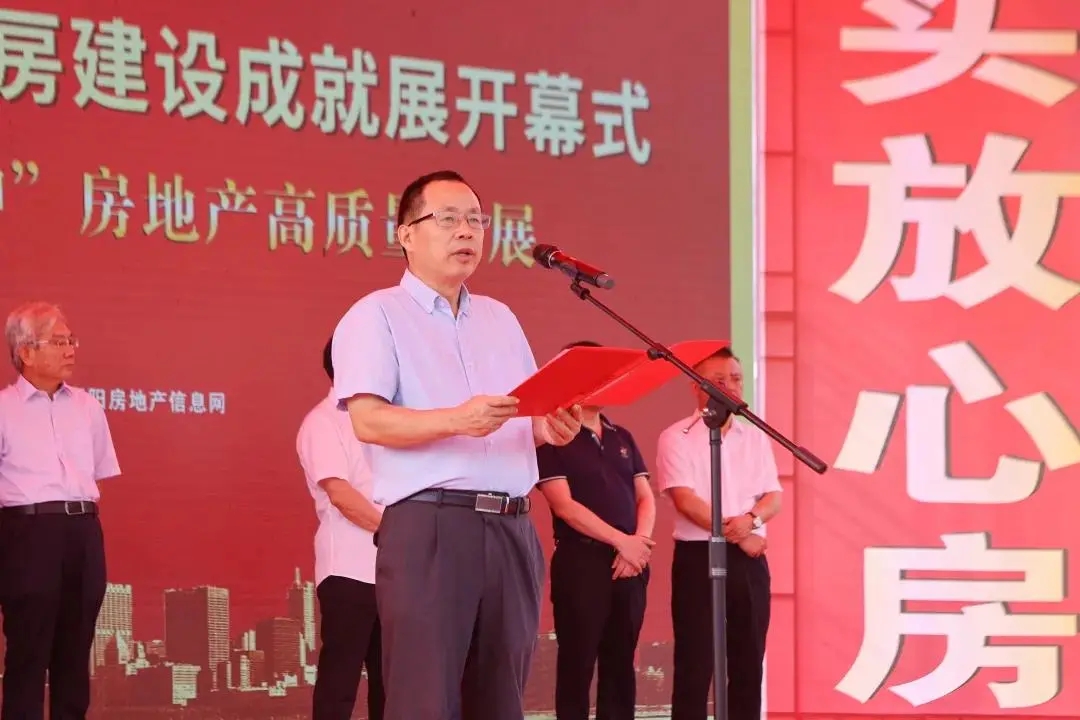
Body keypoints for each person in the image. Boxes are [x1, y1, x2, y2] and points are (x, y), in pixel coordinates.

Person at [331, 169, 583, 720]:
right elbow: (369, 422)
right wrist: (457, 420)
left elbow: (523, 415)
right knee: (426, 699)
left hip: (513, 527)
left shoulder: (500, 318)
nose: (466, 231)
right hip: (432, 526)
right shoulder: (376, 315)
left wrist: (547, 429)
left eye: (476, 220)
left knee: (501, 699)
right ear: (406, 233)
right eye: (447, 219)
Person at [0, 301, 120, 720]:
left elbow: (97, 471)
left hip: (83, 531)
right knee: (28, 655)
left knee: (74, 655)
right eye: (58, 342)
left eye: (71, 340)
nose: (70, 350)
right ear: (26, 352)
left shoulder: (88, 407)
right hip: (27, 534)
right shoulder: (3, 409)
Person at [655, 346, 782, 720]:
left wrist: (752, 521)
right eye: (720, 380)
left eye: (737, 379)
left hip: (749, 560)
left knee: (748, 661)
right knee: (695, 663)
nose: (732, 386)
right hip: (698, 556)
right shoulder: (676, 436)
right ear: (697, 387)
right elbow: (685, 500)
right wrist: (742, 532)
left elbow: (773, 497)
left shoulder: (754, 437)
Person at [535, 341, 656, 720]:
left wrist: (637, 546)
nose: (605, 383)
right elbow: (564, 506)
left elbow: (645, 497)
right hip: (581, 561)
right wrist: (622, 542)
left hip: (630, 565)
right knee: (578, 662)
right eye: (594, 375)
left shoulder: (622, 436)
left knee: (621, 665)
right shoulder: (551, 436)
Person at [297, 337, 385, 720]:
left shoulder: (389, 419)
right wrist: (398, 533)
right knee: (341, 681)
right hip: (349, 570)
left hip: (395, 572)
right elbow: (340, 494)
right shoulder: (323, 421)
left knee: (392, 682)